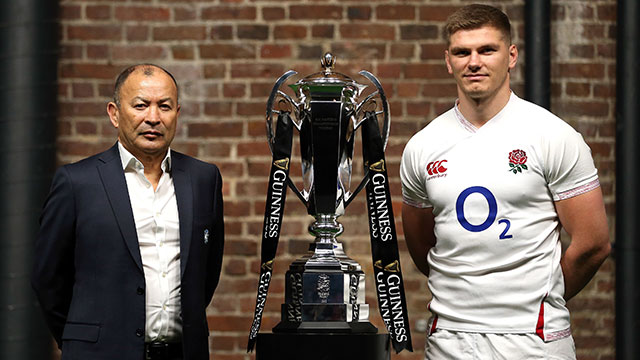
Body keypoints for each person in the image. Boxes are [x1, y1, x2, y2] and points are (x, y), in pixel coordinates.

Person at [400, 4, 610, 359]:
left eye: (487, 50)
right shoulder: (423, 146)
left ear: (511, 56)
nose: (474, 61)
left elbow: (593, 244)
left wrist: (540, 297)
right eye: (462, 52)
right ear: (448, 61)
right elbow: (424, 250)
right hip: (451, 339)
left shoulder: (552, 136)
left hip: (535, 339)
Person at [31, 64, 225, 360]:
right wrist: (84, 337)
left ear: (177, 113)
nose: (153, 117)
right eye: (140, 105)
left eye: (165, 106)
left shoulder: (203, 179)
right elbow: (48, 278)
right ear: (114, 113)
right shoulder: (76, 182)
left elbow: (206, 274)